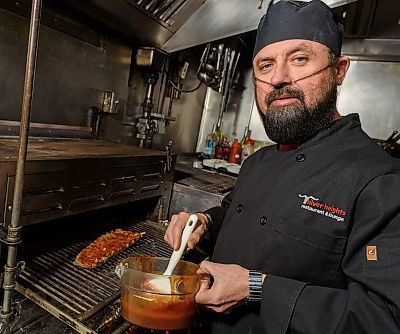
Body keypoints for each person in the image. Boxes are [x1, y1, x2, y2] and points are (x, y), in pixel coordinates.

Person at [164, 1, 400, 333]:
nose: (278, 78)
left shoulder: (378, 179)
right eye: (265, 65)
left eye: (299, 59)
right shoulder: (258, 161)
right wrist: (203, 222)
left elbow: (384, 320)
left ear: (339, 70)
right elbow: (235, 216)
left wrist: (257, 289)